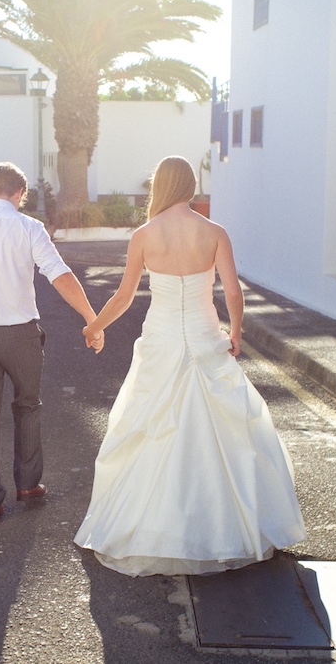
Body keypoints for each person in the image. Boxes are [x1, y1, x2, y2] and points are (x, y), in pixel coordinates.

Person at [74, 156, 306, 575]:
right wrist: (236, 332)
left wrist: (94, 326)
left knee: (147, 425)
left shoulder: (144, 235)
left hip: (163, 337)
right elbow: (232, 291)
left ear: (159, 186)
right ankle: (226, 527)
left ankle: (152, 526)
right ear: (191, 186)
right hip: (202, 335)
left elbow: (124, 296)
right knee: (227, 427)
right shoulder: (214, 232)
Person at [0, 162, 104, 525]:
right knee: (28, 406)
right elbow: (58, 273)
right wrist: (92, 319)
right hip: (21, 336)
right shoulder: (30, 227)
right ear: (20, 195)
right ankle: (28, 485)